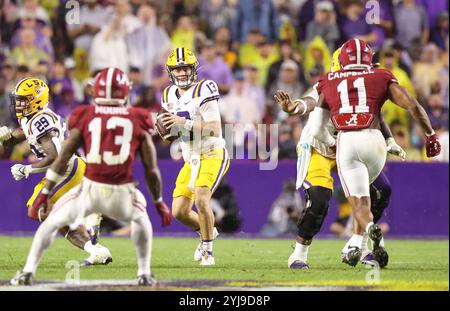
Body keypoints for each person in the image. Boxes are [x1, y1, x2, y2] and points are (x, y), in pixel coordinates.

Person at [9, 68, 172, 286]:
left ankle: (29, 271)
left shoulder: (84, 114)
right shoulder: (138, 116)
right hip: (117, 182)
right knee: (141, 219)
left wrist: (33, 175)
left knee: (42, 214)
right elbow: (151, 167)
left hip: (77, 172)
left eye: (23, 100)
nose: (19, 104)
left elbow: (59, 156)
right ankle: (140, 270)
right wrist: (159, 201)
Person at [309, 38, 441, 266]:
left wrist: (332, 143)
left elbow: (316, 128)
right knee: (372, 195)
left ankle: (370, 230)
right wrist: (430, 135)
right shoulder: (381, 75)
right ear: (369, 58)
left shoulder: (329, 79)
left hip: (348, 141)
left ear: (341, 59)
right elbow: (412, 105)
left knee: (360, 203)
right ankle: (359, 244)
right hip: (375, 142)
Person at [275, 47, 405, 269]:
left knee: (382, 191)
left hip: (349, 148)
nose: (365, 73)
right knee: (319, 199)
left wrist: (390, 141)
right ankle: (299, 253)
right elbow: (310, 108)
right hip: (320, 146)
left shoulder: (365, 86)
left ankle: (360, 245)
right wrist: (294, 107)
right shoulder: (330, 83)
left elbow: (377, 117)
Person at [0, 77, 111, 266]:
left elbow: (55, 156)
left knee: (38, 209)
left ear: (36, 100)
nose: (18, 103)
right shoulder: (33, 117)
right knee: (40, 212)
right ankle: (94, 248)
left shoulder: (40, 120)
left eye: (23, 99)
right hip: (66, 169)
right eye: (17, 99)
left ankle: (83, 217)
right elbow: (23, 132)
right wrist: (6, 137)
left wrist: (27, 168)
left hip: (67, 168)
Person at [159, 47, 230, 266]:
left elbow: (215, 129)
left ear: (194, 69)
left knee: (201, 198)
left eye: (185, 68)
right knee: (179, 212)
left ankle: (208, 250)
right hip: (191, 157)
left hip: (212, 152)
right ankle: (206, 230)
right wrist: (165, 132)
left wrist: (184, 123)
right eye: (177, 69)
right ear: (171, 72)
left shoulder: (205, 88)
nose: (181, 73)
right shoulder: (167, 94)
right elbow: (173, 136)